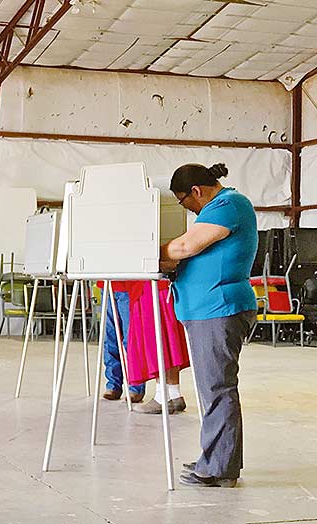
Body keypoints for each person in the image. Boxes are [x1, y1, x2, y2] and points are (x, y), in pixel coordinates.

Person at [161, 163, 258, 488]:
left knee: (217, 389)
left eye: (183, 201)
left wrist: (151, 250)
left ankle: (219, 469)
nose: (185, 209)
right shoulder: (219, 208)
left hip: (220, 307)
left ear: (197, 192)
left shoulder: (228, 205)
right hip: (209, 309)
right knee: (213, 389)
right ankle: (216, 459)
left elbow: (186, 246)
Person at [124, 280, 190, 414]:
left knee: (156, 340)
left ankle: (162, 397)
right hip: (168, 285)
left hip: (148, 285)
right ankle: (174, 393)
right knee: (170, 338)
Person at [97, 281, 145, 403]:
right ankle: (113, 385)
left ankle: (136, 386)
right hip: (106, 284)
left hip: (129, 285)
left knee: (131, 339)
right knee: (109, 337)